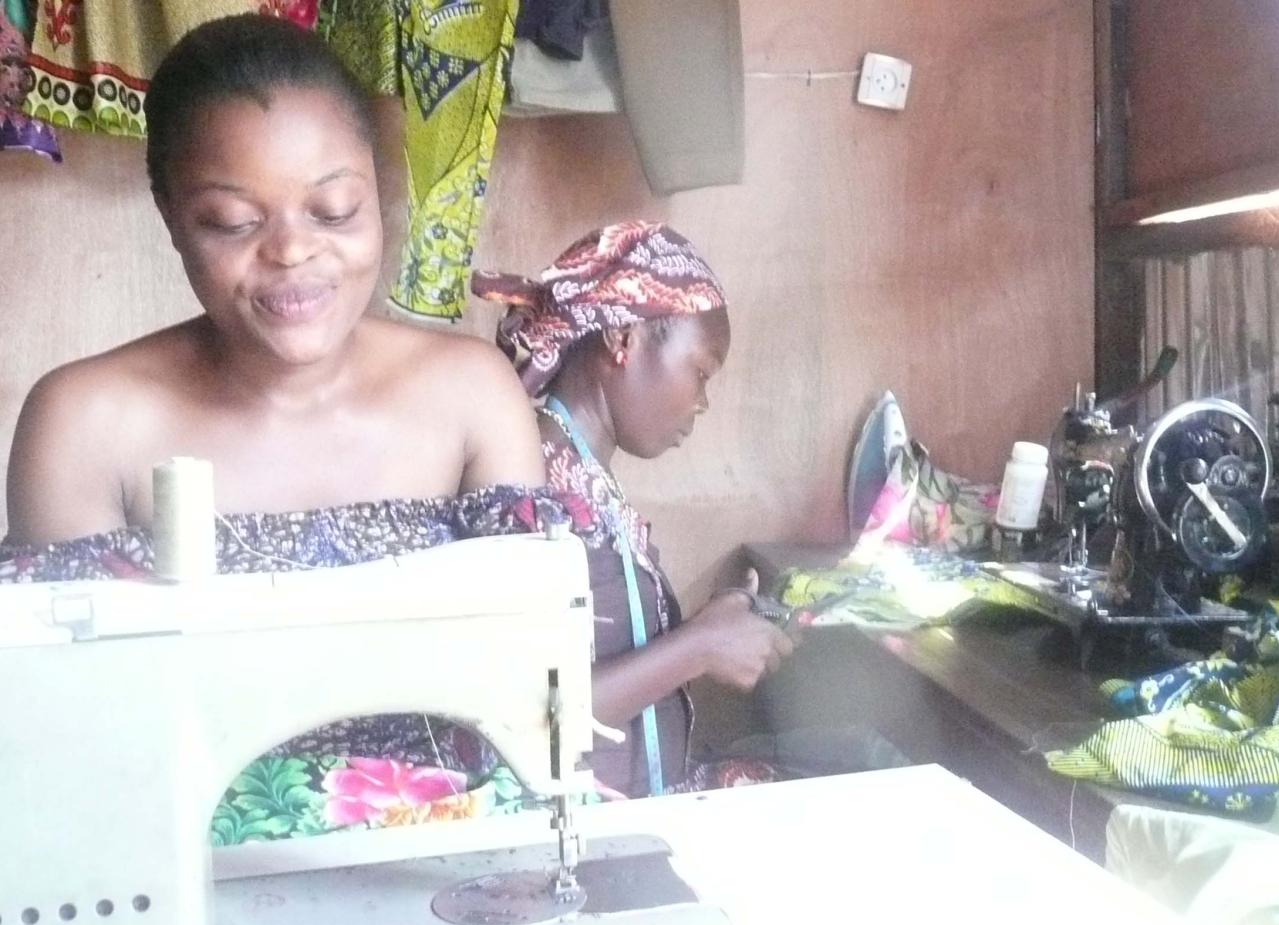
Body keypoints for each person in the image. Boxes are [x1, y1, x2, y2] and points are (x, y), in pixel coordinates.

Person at [0, 15, 562, 844]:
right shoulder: (88, 426)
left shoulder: (471, 398)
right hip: (182, 870)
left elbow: (533, 684)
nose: (293, 252)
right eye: (234, 221)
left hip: (457, 855)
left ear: (378, 191)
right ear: (171, 217)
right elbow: (77, 741)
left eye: (335, 210)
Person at [472, 222, 813, 798]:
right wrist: (699, 646)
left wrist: (717, 625)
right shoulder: (534, 482)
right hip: (577, 825)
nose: (702, 402)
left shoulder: (580, 474)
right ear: (623, 338)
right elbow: (525, 716)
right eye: (701, 372)